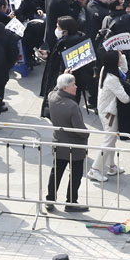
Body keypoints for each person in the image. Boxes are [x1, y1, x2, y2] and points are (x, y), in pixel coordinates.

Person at [46, 71, 89, 212]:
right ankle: (71, 202)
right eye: (73, 85)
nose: (76, 87)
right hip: (74, 147)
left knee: (56, 172)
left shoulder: (52, 97)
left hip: (59, 142)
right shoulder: (72, 106)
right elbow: (80, 130)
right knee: (75, 175)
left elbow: (54, 89)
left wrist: (63, 75)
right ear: (65, 88)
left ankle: (49, 199)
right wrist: (87, 134)